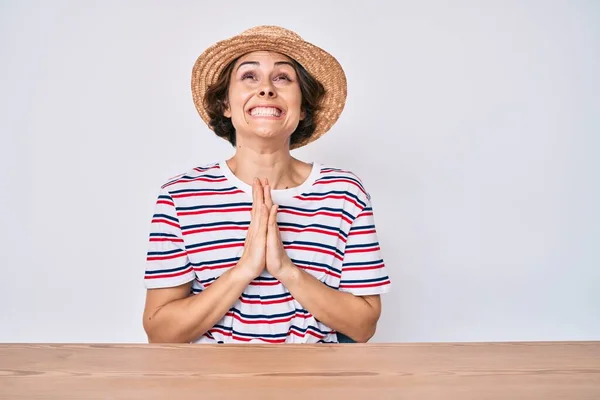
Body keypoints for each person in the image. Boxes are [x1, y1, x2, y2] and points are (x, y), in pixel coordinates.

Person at [142, 26, 391, 344]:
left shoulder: (344, 193)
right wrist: (245, 269)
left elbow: (363, 326)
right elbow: (161, 333)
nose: (266, 89)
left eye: (283, 78)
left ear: (303, 109)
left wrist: (285, 269)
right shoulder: (180, 197)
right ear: (226, 106)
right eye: (249, 76)